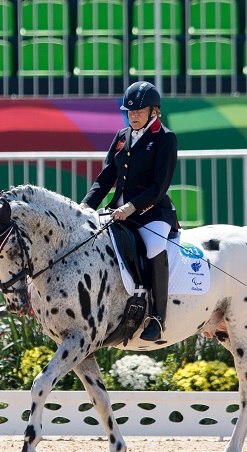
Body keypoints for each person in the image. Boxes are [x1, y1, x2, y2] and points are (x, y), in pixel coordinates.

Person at [80, 81, 179, 341]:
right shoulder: (122, 136)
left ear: (153, 111)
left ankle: (157, 316)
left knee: (154, 247)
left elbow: (160, 186)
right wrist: (85, 206)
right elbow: (106, 177)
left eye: (139, 111)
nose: (133, 116)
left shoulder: (165, 138)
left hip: (152, 212)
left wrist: (131, 206)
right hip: (117, 210)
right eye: (129, 112)